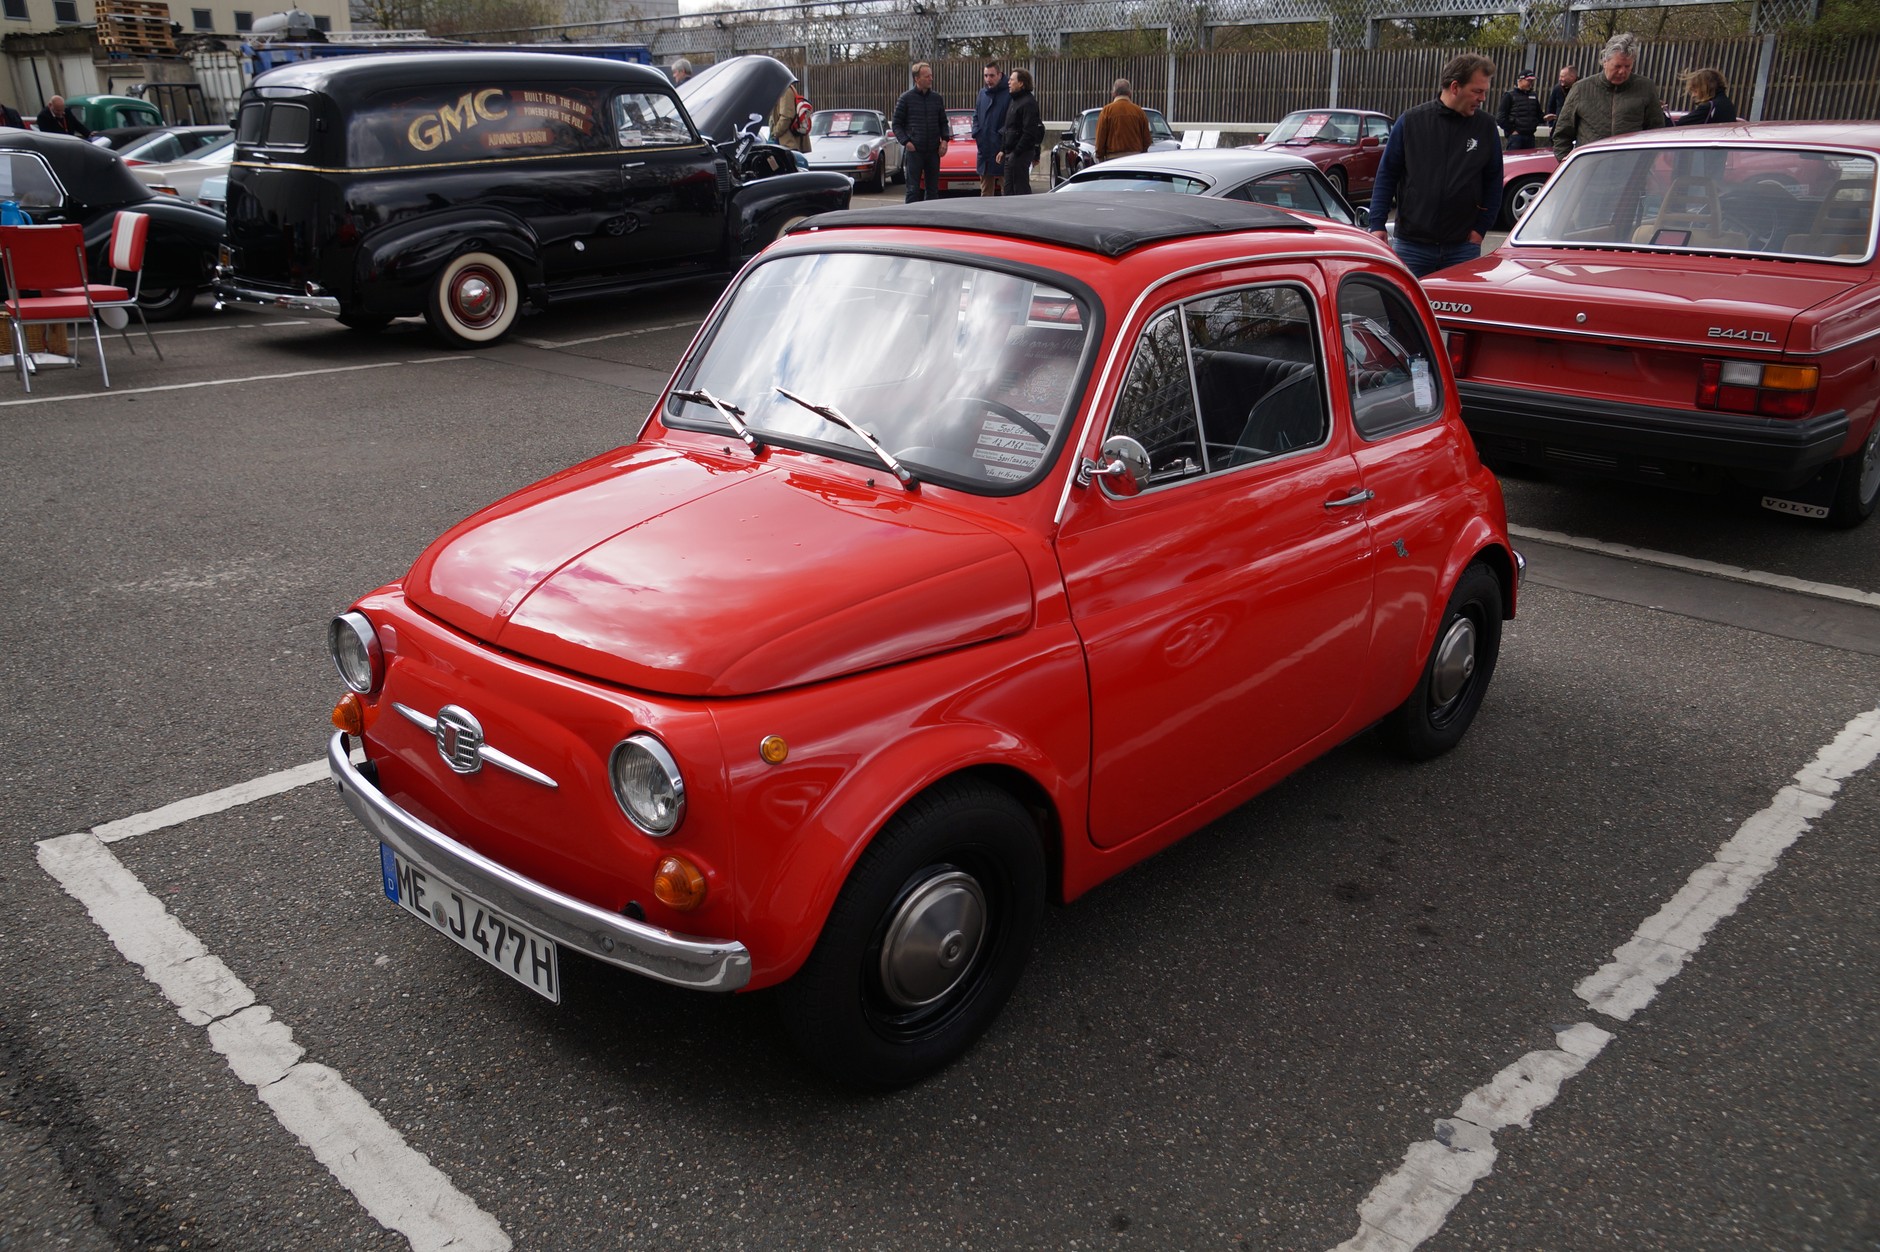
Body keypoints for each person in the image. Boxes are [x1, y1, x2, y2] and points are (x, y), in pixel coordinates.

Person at [1368, 54, 1503, 278]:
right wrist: (1377, 224)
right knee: (1407, 311)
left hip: (1462, 247)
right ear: (1455, 87)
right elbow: (1387, 175)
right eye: (1477, 91)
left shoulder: (1486, 127)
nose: (1483, 98)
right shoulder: (1411, 122)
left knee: (1460, 312)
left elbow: (1494, 181)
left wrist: (1480, 229)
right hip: (1412, 246)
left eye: (1485, 92)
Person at [1552, 32, 1667, 160]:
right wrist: (1569, 164)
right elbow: (1562, 134)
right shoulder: (1581, 89)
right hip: (1590, 170)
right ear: (1605, 62)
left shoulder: (1645, 88)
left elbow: (1656, 132)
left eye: (1627, 66)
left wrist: (1644, 166)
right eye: (1617, 66)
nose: (1622, 71)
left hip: (1631, 170)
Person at [892, 61, 948, 203]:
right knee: (912, 189)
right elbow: (896, 124)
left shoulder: (936, 98)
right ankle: (910, 220)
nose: (931, 79)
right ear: (917, 79)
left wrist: (945, 140)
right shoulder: (906, 99)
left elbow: (943, 122)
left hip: (933, 151)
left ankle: (932, 220)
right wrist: (906, 142)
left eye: (931, 75)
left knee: (933, 190)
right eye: (927, 76)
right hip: (915, 150)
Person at [996, 68, 1044, 195]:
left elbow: (1029, 132)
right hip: (1009, 153)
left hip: (1020, 154)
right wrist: (1003, 149)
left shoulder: (1029, 103)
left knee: (1020, 189)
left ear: (1021, 83)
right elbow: (1008, 128)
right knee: (1008, 190)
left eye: (1012, 80)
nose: (1008, 82)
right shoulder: (1014, 101)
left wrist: (1016, 152)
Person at [971, 60, 1009, 197]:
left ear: (999, 75)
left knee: (1008, 190)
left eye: (992, 75)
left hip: (1002, 149)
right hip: (985, 148)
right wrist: (977, 132)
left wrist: (1001, 137)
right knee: (985, 192)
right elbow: (976, 114)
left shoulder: (1009, 93)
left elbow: (1012, 121)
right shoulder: (982, 93)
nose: (988, 79)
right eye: (986, 76)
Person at [1094, 78, 1151, 162]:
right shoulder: (1139, 112)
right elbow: (1147, 139)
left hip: (1112, 159)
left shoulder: (1106, 111)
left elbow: (1100, 138)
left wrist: (1100, 156)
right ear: (1129, 93)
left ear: (1114, 93)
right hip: (1135, 158)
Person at [770, 75, 811, 169]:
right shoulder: (783, 90)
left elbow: (786, 116)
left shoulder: (785, 91)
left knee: (788, 170)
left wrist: (776, 132)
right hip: (785, 139)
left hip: (788, 140)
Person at [1496, 69, 1543, 150]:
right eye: (1529, 81)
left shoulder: (1533, 95)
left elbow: (1538, 114)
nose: (1531, 84)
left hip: (1530, 136)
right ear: (1520, 80)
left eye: (1532, 81)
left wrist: (1545, 118)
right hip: (1516, 138)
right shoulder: (1509, 95)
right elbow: (1500, 117)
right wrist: (1512, 131)